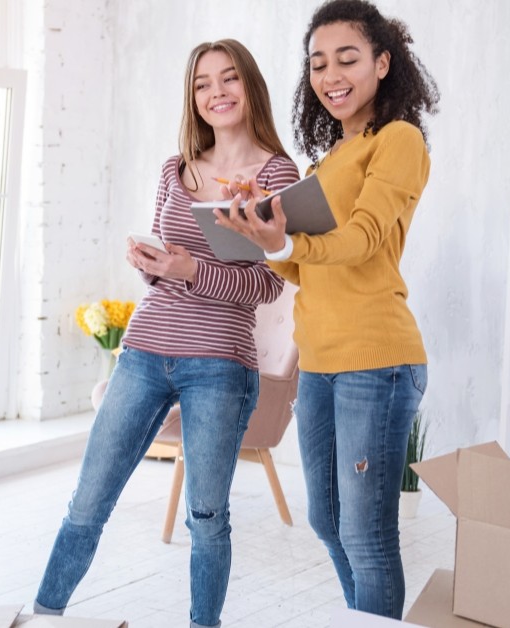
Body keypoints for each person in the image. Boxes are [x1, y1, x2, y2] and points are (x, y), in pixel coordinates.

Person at [33, 39, 299, 628]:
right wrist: (151, 262)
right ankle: (43, 615)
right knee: (88, 500)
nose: (216, 93)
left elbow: (269, 286)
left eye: (228, 79)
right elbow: (165, 273)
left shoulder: (276, 174)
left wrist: (190, 270)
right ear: (193, 96)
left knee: (207, 517)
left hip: (219, 363)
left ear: (249, 86)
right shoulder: (174, 169)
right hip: (146, 351)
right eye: (203, 83)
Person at [214, 0, 440, 619]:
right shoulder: (327, 160)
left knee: (367, 534)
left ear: (383, 64)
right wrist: (261, 227)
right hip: (319, 363)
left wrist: (286, 240)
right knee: (327, 520)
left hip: (378, 360)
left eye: (347, 58)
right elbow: (300, 264)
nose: (331, 75)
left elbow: (365, 237)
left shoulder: (399, 141)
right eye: (318, 63)